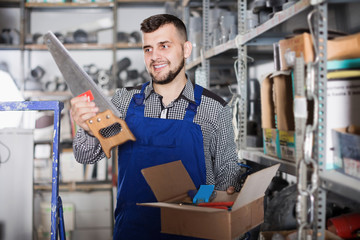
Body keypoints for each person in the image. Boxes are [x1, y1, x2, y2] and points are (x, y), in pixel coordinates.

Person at [70, 14, 243, 240]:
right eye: (148, 49)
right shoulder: (124, 102)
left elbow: (227, 167)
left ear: (186, 49)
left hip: (193, 231)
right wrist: (85, 127)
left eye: (164, 46)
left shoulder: (213, 108)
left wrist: (227, 189)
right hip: (133, 230)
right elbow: (86, 156)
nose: (155, 56)